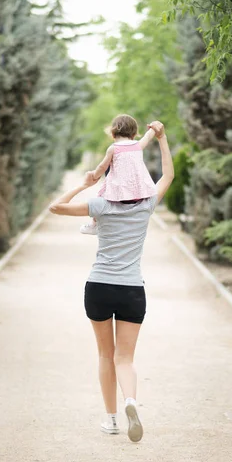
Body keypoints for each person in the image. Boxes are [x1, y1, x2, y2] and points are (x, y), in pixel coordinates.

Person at [49, 121, 174, 443]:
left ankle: (111, 419)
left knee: (105, 355)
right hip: (132, 290)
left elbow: (56, 207)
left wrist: (85, 182)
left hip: (99, 287)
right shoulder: (147, 205)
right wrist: (162, 139)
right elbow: (168, 176)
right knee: (126, 358)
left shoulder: (101, 205)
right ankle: (131, 400)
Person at [80, 114, 157, 235]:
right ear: (134, 133)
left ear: (113, 133)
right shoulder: (138, 146)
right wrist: (154, 128)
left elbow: (102, 166)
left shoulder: (113, 148)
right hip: (138, 192)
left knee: (100, 197)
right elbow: (147, 137)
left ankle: (94, 225)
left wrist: (94, 175)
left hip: (119, 192)